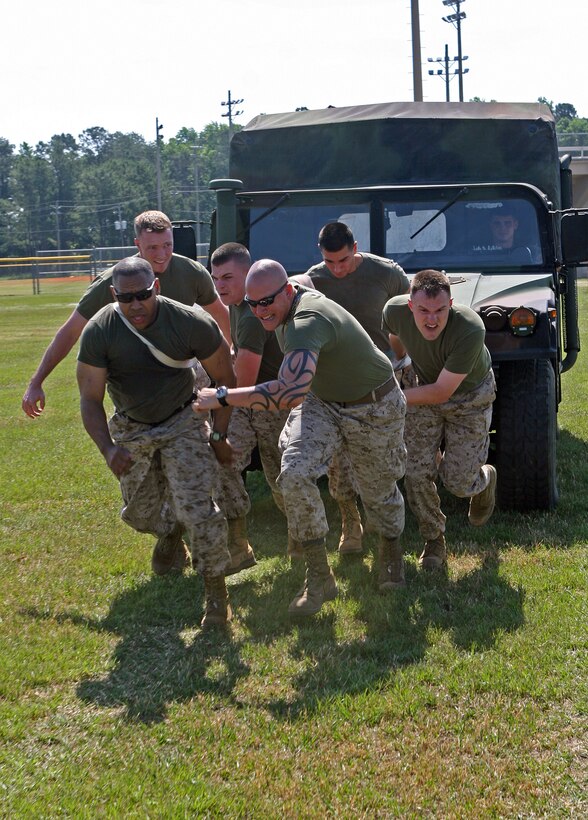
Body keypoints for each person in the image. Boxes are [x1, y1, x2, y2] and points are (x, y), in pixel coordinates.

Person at [193, 259, 407, 617]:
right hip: (323, 401)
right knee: (293, 473)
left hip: (372, 404)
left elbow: (289, 391)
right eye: (253, 303)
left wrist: (223, 395)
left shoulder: (306, 320)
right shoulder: (283, 301)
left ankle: (390, 549)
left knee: (377, 489)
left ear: (288, 293)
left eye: (266, 302)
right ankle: (319, 575)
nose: (259, 311)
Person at [76, 257, 236, 628]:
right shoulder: (101, 331)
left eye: (143, 295)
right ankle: (168, 532)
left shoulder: (190, 322)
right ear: (114, 295)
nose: (136, 305)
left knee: (199, 507)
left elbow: (223, 381)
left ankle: (215, 594)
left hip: (183, 419)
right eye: (126, 298)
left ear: (157, 289)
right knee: (140, 512)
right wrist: (108, 448)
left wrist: (217, 435)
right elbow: (89, 399)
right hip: (133, 428)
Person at [22, 209, 231, 419]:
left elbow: (221, 316)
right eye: (152, 247)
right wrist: (37, 382)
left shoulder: (191, 272)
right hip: (135, 381)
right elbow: (70, 331)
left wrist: (235, 354)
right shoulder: (114, 281)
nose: (161, 254)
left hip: (182, 371)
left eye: (167, 245)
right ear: (137, 244)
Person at [382, 269, 497, 571]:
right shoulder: (394, 310)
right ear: (410, 306)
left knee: (458, 482)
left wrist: (393, 397)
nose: (431, 319)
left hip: (468, 396)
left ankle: (483, 480)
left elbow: (442, 392)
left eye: (439, 311)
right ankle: (434, 539)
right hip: (423, 387)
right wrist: (404, 362)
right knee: (416, 470)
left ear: (451, 304)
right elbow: (396, 336)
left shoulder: (470, 328)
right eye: (423, 310)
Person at [306, 221, 410, 555]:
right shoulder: (314, 280)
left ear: (356, 247)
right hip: (336, 385)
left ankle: (389, 523)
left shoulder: (387, 273)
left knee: (385, 459)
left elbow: (409, 320)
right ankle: (351, 523)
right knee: (340, 466)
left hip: (382, 382)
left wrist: (405, 361)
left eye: (344, 260)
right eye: (329, 261)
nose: (336, 269)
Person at [210, 241, 299, 572]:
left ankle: (300, 541)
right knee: (224, 462)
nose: (221, 286)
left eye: (228, 278)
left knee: (282, 478)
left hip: (274, 403)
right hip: (250, 400)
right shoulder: (236, 305)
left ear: (248, 275)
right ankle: (238, 544)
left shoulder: (249, 315)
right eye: (216, 278)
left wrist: (214, 400)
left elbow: (240, 383)